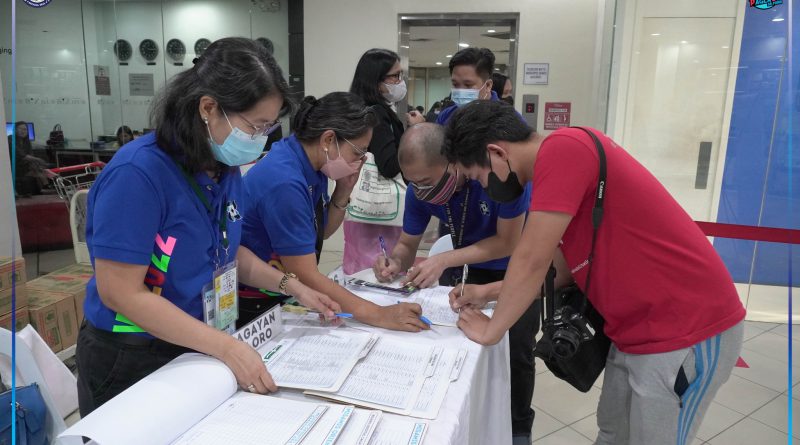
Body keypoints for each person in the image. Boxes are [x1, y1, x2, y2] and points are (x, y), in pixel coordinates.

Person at [443, 100, 746, 445]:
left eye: (478, 178)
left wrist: (493, 330)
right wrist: (487, 292)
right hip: (633, 330)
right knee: (613, 433)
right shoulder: (557, 170)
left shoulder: (564, 148)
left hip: (686, 326)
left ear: (496, 154)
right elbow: (561, 268)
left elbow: (531, 259)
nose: (485, 187)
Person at [76, 37, 340, 416]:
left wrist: (292, 285)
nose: (261, 138)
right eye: (256, 125)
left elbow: (228, 252)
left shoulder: (223, 168)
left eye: (268, 127)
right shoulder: (138, 173)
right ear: (208, 108)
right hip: (130, 354)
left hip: (193, 340)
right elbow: (120, 292)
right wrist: (225, 347)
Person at [371, 122, 540, 445]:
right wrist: (395, 261)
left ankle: (519, 429)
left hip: (513, 271)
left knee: (516, 354)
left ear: (453, 163)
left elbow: (508, 242)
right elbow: (408, 242)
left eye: (426, 182)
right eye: (413, 183)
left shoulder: (493, 176)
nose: (420, 191)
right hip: (465, 272)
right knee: (459, 350)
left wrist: (443, 259)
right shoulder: (421, 187)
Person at [240, 91, 429, 332]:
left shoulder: (311, 164)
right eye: (359, 153)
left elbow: (321, 232)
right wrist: (379, 314)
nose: (361, 162)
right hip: (256, 299)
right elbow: (305, 273)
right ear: (328, 140)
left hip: (284, 288)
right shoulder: (285, 181)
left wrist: (343, 191)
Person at [343, 48, 425, 274]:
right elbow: (389, 165)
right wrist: (415, 135)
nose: (400, 81)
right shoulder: (376, 114)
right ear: (376, 80)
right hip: (379, 216)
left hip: (364, 212)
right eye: (395, 76)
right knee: (379, 272)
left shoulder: (359, 109)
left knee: (362, 268)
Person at [436, 47, 497, 126]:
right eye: (455, 84)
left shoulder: (507, 119)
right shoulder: (446, 116)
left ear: (488, 85)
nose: (461, 91)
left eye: (468, 85)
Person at [8, 121, 48, 196]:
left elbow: (30, 154)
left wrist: (37, 164)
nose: (23, 131)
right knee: (36, 166)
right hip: (14, 166)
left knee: (37, 167)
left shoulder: (26, 141)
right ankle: (45, 185)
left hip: (25, 164)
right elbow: (21, 155)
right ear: (15, 130)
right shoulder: (10, 139)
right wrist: (38, 160)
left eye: (25, 129)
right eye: (21, 129)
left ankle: (43, 187)